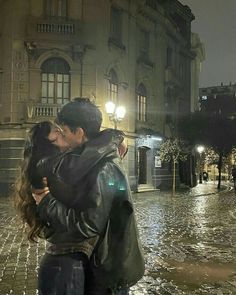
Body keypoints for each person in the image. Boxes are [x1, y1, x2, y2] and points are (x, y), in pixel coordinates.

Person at [16, 98, 144, 294]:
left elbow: (87, 224)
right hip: (97, 263)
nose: (63, 138)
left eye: (64, 132)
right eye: (57, 135)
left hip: (109, 269)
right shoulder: (82, 163)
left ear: (79, 132)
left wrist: (47, 202)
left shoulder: (100, 167)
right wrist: (114, 139)